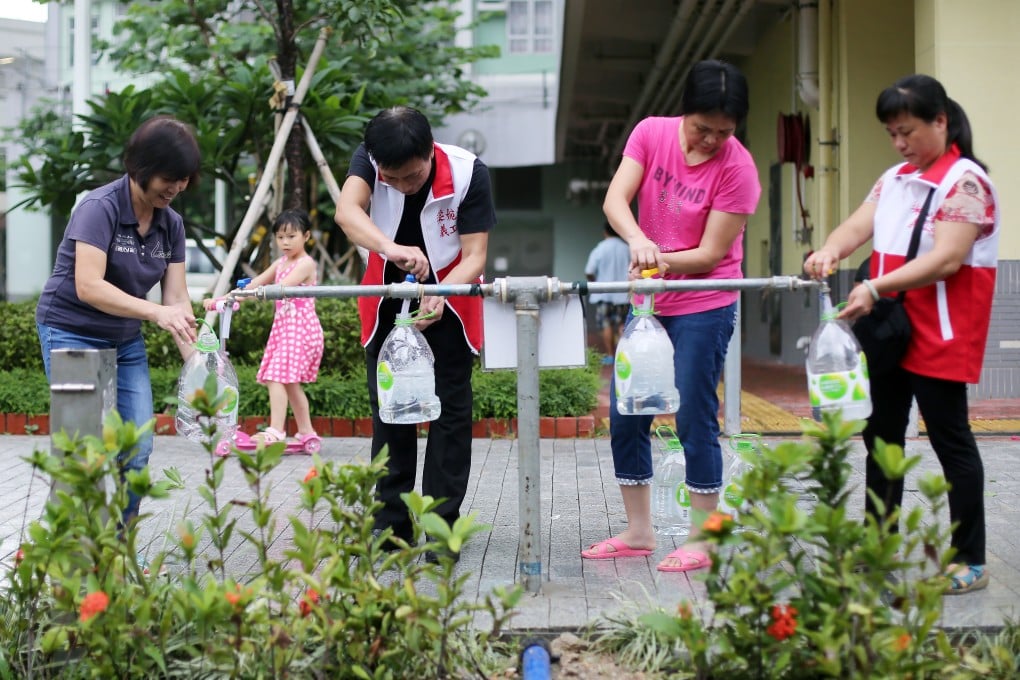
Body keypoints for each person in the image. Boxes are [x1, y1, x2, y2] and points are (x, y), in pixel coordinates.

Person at [804, 74, 998, 595]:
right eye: (892, 133)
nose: (899, 143)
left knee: (949, 439)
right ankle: (878, 542)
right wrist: (830, 250)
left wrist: (873, 285)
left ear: (941, 121)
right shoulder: (894, 179)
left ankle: (969, 558)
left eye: (907, 131)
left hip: (941, 330)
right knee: (881, 437)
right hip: (892, 330)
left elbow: (948, 258)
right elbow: (855, 226)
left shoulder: (966, 183)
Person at [582, 60, 761, 572]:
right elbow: (617, 197)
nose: (710, 140)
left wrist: (656, 259)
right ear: (685, 113)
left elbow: (708, 255)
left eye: (723, 133)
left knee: (693, 414)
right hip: (650, 304)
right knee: (626, 410)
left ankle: (704, 537)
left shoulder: (739, 169)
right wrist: (638, 240)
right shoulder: (651, 134)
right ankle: (639, 532)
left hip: (706, 302)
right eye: (702, 128)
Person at [335, 106, 495, 560]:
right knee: (390, 411)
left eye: (413, 176)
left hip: (451, 302)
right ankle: (391, 527)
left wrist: (440, 291)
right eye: (394, 179)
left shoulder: (468, 173)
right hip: (387, 301)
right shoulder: (370, 158)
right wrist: (390, 248)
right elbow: (347, 212)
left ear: (430, 152)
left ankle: (441, 530)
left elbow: (476, 254)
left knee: (449, 416)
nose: (403, 185)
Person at [35, 115, 200, 530]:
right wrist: (156, 312)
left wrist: (200, 366)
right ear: (141, 167)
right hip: (70, 330)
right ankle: (70, 549)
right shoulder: (99, 207)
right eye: (169, 177)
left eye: (183, 179)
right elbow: (88, 285)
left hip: (124, 342)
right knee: (89, 452)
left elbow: (176, 300)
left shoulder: (171, 224)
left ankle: (118, 550)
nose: (176, 188)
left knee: (138, 448)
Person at [206, 209, 324, 446]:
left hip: (300, 330)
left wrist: (249, 294)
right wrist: (225, 298)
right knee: (290, 384)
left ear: (306, 236)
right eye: (280, 237)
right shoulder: (281, 262)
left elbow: (278, 288)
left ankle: (276, 430)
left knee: (275, 377)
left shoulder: (305, 263)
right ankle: (306, 431)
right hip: (284, 331)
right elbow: (256, 283)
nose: (285, 242)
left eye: (291, 236)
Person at [585, 222, 631, 362]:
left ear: (605, 232)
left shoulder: (600, 249)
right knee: (623, 324)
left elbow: (589, 271)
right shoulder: (627, 248)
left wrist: (595, 282)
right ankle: (625, 355)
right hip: (624, 294)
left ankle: (611, 356)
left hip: (604, 293)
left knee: (606, 324)